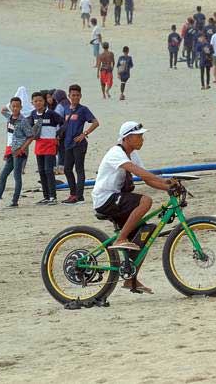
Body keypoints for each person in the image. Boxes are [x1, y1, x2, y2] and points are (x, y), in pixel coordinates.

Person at [92, 121, 174, 292]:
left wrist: (169, 188)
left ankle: (131, 279)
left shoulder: (133, 154)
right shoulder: (116, 152)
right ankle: (120, 239)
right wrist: (163, 180)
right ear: (127, 138)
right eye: (139, 136)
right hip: (105, 199)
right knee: (146, 201)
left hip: (117, 199)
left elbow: (147, 179)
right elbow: (137, 172)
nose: (142, 140)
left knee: (145, 232)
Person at [0, 97, 34, 209]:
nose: (15, 108)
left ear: (21, 107)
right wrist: (8, 106)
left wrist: (22, 149)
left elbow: (31, 137)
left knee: (17, 176)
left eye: (17, 106)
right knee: (3, 175)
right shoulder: (10, 118)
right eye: (13, 106)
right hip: (11, 151)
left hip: (19, 152)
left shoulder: (23, 121)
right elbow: (2, 111)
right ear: (10, 107)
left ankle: (14, 201)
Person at [61, 84, 99, 205]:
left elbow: (96, 122)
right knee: (67, 169)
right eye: (73, 95)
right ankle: (73, 194)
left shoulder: (83, 109)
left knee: (79, 169)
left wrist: (84, 134)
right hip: (67, 144)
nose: (75, 97)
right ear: (69, 96)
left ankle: (79, 196)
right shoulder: (66, 109)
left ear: (81, 96)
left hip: (79, 144)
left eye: (77, 95)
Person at [28, 92, 64, 205]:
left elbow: (64, 123)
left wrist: (58, 134)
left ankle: (53, 197)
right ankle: (46, 196)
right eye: (35, 101)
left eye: (40, 100)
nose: (38, 103)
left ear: (44, 101)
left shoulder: (51, 113)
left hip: (50, 145)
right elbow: (28, 127)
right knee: (42, 171)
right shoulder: (33, 114)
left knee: (49, 171)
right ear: (32, 103)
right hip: (39, 145)